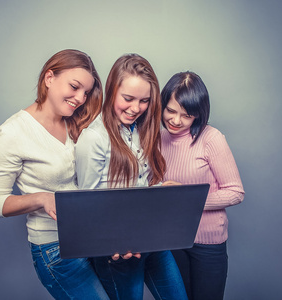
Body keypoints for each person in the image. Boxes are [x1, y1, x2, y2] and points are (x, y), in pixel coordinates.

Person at [0, 49, 109, 299]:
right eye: (74, 86)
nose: (80, 98)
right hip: (55, 249)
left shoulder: (77, 122)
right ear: (49, 78)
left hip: (92, 238)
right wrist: (41, 198)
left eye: (86, 92)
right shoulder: (12, 133)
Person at [75, 54, 188, 300]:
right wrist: (112, 244)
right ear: (112, 90)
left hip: (153, 241)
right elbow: (86, 205)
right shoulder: (94, 138)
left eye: (144, 101)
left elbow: (144, 183)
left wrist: (163, 190)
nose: (135, 108)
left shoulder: (143, 129)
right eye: (128, 99)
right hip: (118, 253)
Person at [160, 71, 245, 300]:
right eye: (171, 111)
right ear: (162, 104)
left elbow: (236, 192)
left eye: (186, 115)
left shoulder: (211, 138)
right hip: (172, 239)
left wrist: (186, 198)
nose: (176, 121)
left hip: (208, 243)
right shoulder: (158, 138)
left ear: (198, 115)